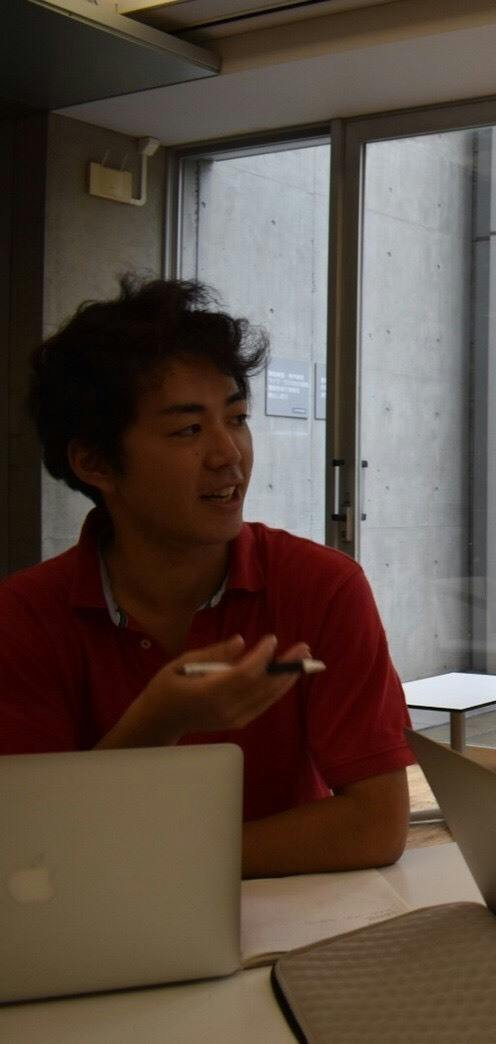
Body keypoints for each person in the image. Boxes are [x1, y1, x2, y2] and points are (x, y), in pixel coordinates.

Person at [0, 278, 414, 878]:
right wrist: (158, 721)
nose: (229, 454)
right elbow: (29, 847)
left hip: (289, 919)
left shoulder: (323, 587)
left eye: (237, 419)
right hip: (98, 926)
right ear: (94, 462)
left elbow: (376, 824)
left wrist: (164, 864)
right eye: (188, 430)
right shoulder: (23, 618)